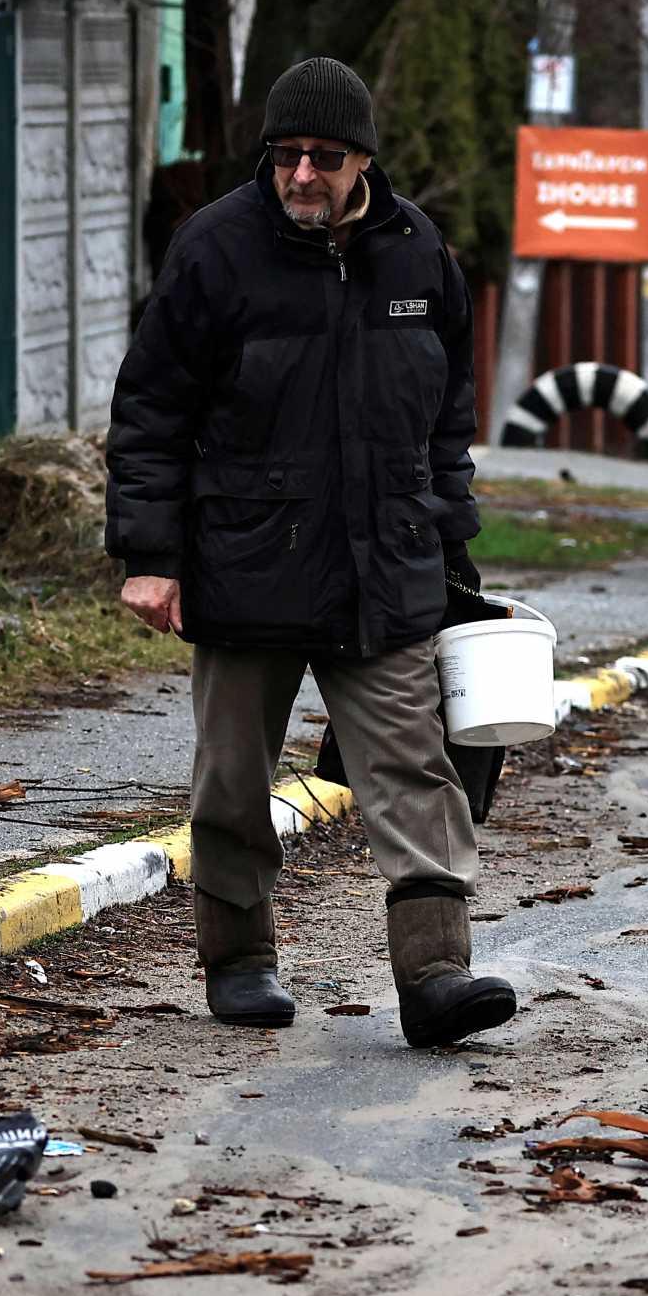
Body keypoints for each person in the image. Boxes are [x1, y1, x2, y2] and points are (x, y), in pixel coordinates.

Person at [104, 56, 517, 1050]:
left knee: (417, 767)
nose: (300, 174)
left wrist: (451, 552)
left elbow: (443, 423)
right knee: (233, 781)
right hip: (247, 563)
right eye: (285, 155)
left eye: (322, 158)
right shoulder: (216, 250)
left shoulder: (417, 253)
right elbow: (150, 411)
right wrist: (149, 555)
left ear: (362, 159)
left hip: (386, 569)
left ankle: (434, 973)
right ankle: (240, 959)